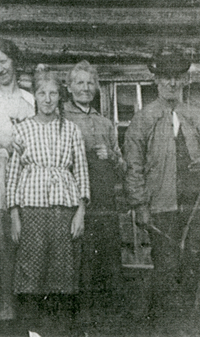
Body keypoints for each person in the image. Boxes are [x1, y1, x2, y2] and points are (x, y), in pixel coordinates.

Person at [124, 47, 200, 323]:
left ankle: (185, 325)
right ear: (156, 81)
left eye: (177, 77)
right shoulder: (143, 119)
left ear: (184, 81)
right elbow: (132, 167)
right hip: (162, 206)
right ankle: (162, 325)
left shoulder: (196, 116)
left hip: (194, 207)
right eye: (166, 77)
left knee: (190, 265)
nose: (171, 83)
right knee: (166, 267)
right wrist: (139, 206)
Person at [7, 65, 90, 336]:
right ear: (35, 96)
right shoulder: (22, 129)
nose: (47, 99)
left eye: (53, 93)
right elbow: (12, 175)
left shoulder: (71, 130)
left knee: (62, 272)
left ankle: (58, 331)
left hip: (63, 210)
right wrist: (14, 215)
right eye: (42, 93)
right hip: (31, 210)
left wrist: (80, 212)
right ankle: (32, 332)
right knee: (31, 271)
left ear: (60, 96)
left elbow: (81, 172)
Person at [0, 38, 35, 323]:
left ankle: (24, 311)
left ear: (15, 62)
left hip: (26, 176)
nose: (0, 68)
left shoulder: (30, 100)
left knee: (24, 237)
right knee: (0, 239)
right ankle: (0, 310)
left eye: (4, 61)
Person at [63, 60, 125, 327]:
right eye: (80, 83)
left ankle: (107, 325)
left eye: (90, 83)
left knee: (108, 262)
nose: (85, 89)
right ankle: (80, 324)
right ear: (69, 87)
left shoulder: (105, 123)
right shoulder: (62, 118)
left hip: (104, 200)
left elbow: (123, 167)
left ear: (97, 87)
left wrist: (110, 156)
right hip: (74, 202)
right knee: (81, 263)